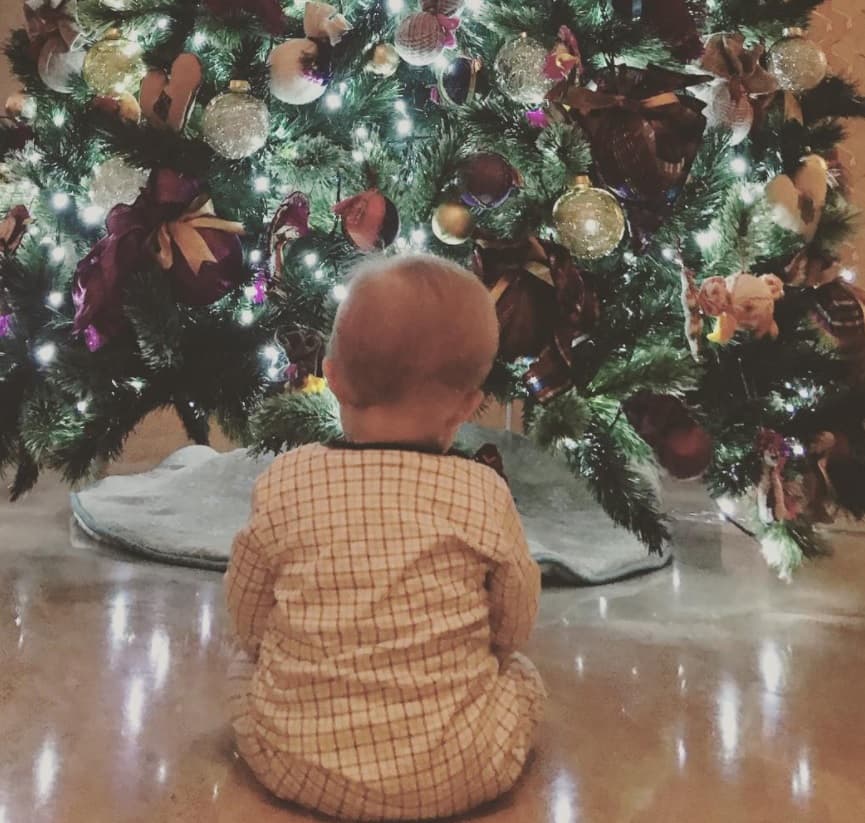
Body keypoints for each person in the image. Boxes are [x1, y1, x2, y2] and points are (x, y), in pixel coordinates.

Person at [225, 253, 545, 821]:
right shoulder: (482, 493)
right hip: (458, 769)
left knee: (242, 670)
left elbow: (248, 609)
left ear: (333, 374)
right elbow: (513, 621)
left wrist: (270, 651)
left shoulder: (287, 480)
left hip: (292, 760)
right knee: (523, 679)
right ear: (469, 405)